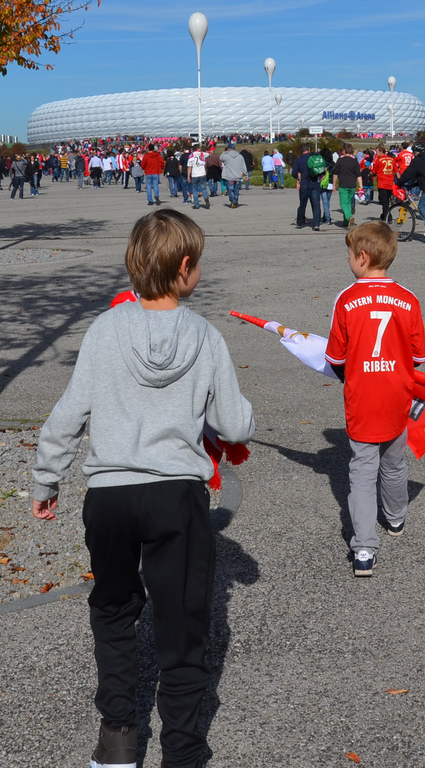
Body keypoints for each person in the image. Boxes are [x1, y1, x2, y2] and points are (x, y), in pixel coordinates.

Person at [31, 209, 253, 768]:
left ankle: (118, 736)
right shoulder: (204, 336)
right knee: (182, 623)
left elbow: (69, 411)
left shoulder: (105, 330)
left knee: (113, 607)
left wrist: (47, 476)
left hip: (110, 495)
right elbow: (236, 426)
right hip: (175, 495)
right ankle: (181, 750)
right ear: (185, 268)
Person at [324, 221, 425, 577]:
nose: (348, 261)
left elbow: (336, 358)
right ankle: (396, 518)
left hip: (361, 400)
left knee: (362, 473)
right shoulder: (409, 298)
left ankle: (365, 547)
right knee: (395, 463)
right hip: (398, 397)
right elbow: (419, 356)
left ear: (362, 257)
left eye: (350, 255)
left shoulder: (347, 298)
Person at [332, 144, 359, 228]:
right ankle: (345, 221)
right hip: (352, 185)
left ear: (344, 151)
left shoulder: (340, 160)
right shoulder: (355, 160)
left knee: (343, 203)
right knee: (348, 202)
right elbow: (358, 174)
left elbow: (335, 173)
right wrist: (361, 186)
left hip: (343, 184)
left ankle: (349, 216)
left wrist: (334, 184)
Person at [220, 141, 247, 208]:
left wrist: (223, 153)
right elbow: (243, 166)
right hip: (238, 176)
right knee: (236, 190)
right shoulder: (240, 156)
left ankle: (233, 200)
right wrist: (246, 174)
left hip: (229, 176)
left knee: (230, 189)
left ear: (229, 148)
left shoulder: (226, 156)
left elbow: (221, 159)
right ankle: (235, 201)